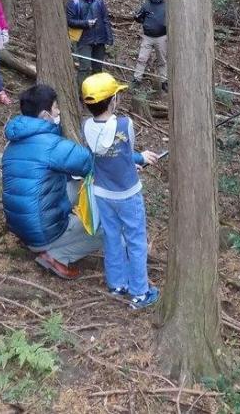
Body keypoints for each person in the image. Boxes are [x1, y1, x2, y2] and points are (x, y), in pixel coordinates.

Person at [1, 84, 101, 279]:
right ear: (46, 115)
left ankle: (50, 240)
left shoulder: (13, 142)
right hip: (42, 233)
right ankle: (57, 256)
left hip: (22, 227)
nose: (59, 112)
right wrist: (133, 160)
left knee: (76, 186)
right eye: (56, 108)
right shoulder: (50, 145)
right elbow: (90, 162)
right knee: (107, 224)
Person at [81, 73, 160, 309]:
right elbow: (128, 149)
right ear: (113, 100)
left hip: (102, 194)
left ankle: (117, 284)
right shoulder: (125, 124)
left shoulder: (85, 126)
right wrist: (141, 158)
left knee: (112, 237)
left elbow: (102, 154)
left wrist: (130, 161)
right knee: (136, 241)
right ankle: (139, 292)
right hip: (128, 194)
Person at [66, 0, 113, 87]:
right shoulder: (74, 1)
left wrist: (109, 37)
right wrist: (85, 23)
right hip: (84, 40)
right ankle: (81, 95)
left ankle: (96, 96)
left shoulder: (99, 0)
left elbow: (105, 19)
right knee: (85, 68)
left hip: (100, 39)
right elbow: (69, 21)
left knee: (98, 69)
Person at [132, 0, 168, 91]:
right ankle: (137, 79)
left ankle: (164, 81)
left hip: (162, 36)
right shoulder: (146, 5)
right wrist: (142, 20)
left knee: (162, 60)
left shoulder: (166, 5)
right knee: (142, 58)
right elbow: (138, 17)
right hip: (147, 37)